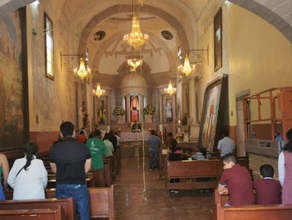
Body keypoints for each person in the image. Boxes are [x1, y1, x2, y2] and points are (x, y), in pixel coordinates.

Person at [50, 121, 92, 220]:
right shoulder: (83, 147)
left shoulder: (55, 149)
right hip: (79, 184)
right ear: (74, 132)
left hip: (61, 185)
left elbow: (53, 169)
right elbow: (87, 167)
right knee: (83, 213)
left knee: (63, 214)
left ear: (61, 133)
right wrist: (78, 173)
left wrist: (63, 172)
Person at [278, 128, 292, 204]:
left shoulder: (283, 155)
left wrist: (287, 185)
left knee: (288, 214)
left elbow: (281, 178)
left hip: (289, 189)